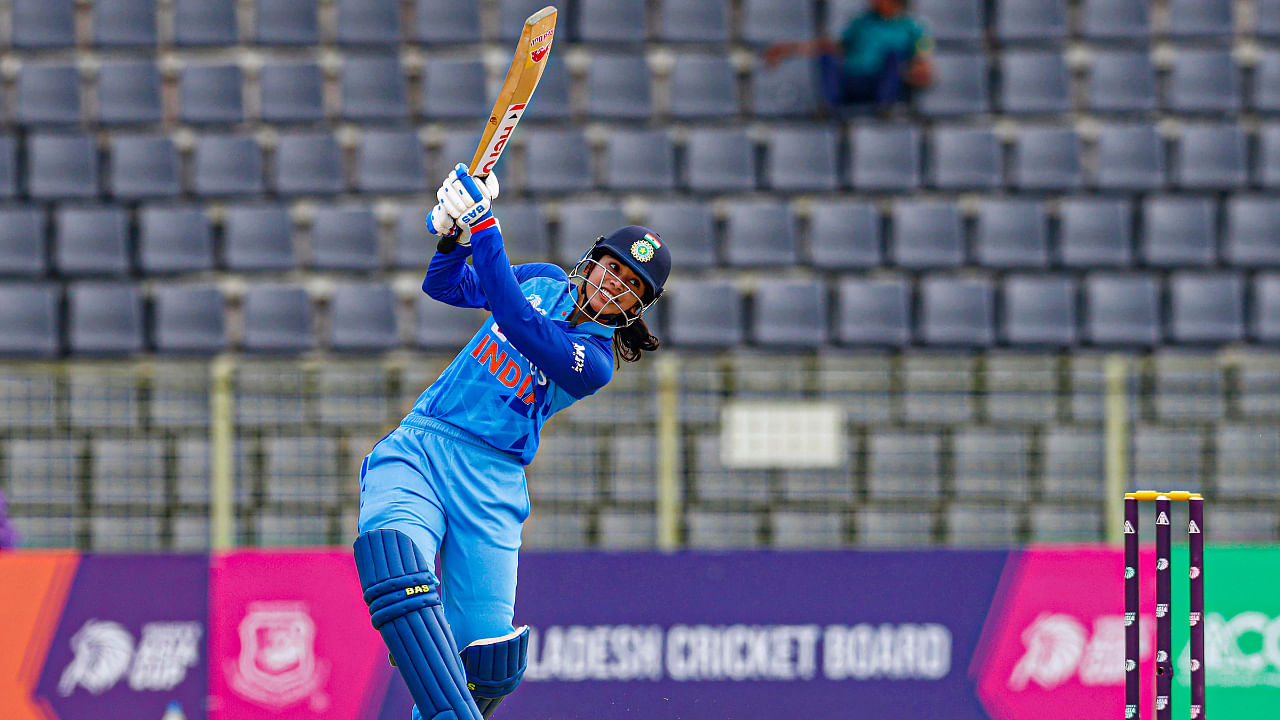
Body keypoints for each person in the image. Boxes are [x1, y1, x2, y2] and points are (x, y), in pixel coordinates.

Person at [352, 164, 671, 720]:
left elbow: (520, 324)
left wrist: (484, 225)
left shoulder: (594, 363)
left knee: (491, 664)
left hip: (493, 483)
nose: (614, 283)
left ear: (635, 308)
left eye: (631, 285)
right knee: (397, 567)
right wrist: (452, 235)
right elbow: (445, 285)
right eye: (613, 268)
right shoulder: (542, 277)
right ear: (593, 261)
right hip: (424, 449)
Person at [764, 0, 934, 111]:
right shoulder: (861, 22)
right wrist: (789, 49)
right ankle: (830, 105)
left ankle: (885, 106)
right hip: (851, 80)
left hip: (881, 84)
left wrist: (919, 71)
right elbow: (834, 46)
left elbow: (923, 59)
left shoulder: (913, 27)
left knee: (893, 57)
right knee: (827, 56)